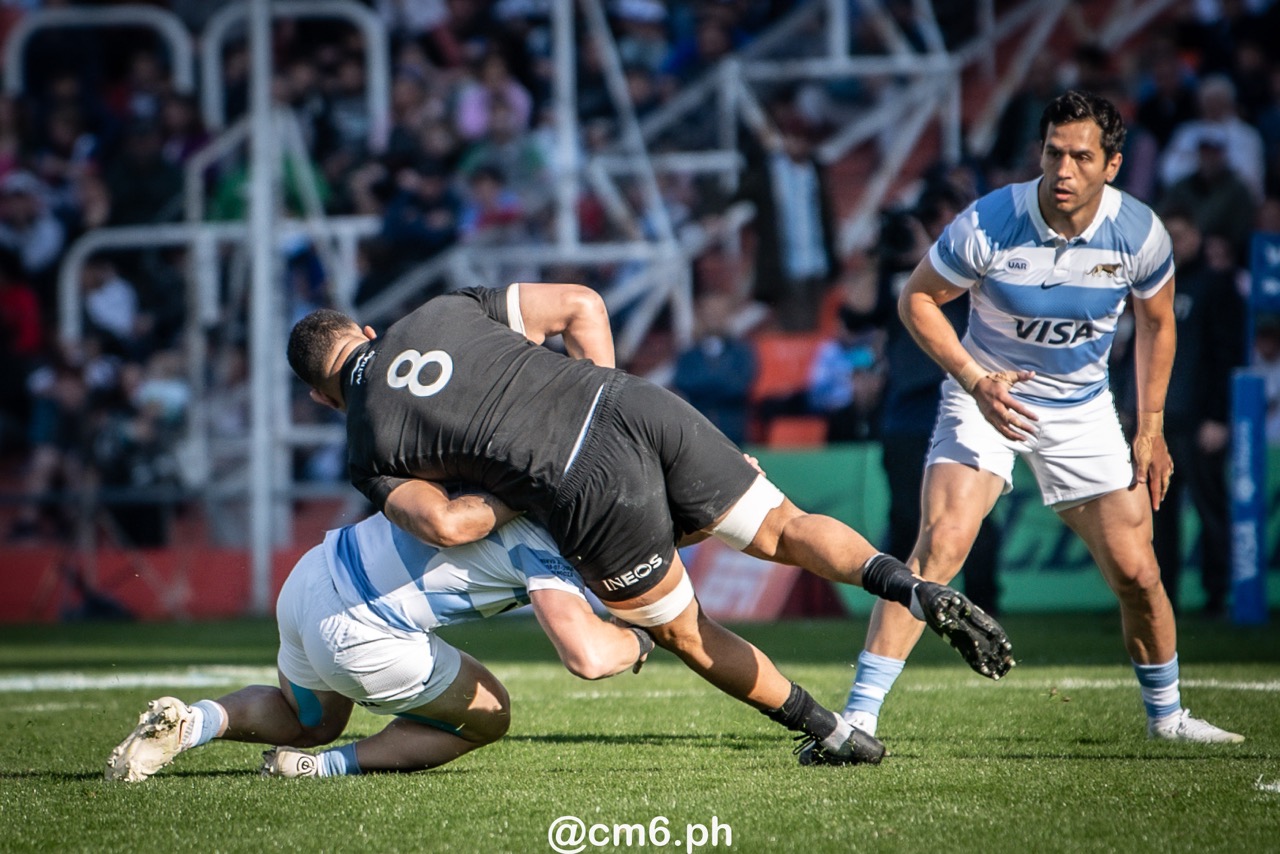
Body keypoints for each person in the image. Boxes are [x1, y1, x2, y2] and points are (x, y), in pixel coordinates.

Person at [286, 281, 1013, 767]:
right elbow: (581, 303)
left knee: (687, 633)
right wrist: (599, 389)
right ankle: (910, 587)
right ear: (367, 330)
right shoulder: (440, 308)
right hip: (632, 403)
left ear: (324, 399)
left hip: (577, 487)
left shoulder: (366, 443)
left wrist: (526, 490)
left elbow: (445, 525)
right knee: (784, 526)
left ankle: (835, 733)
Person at [836, 91, 1243, 745]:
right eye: (1054, 152)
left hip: (1083, 411)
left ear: (1112, 165)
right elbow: (917, 302)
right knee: (938, 546)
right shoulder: (989, 221)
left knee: (1139, 573)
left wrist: (1150, 426)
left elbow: (1159, 322)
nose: (1063, 170)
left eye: (1081, 156)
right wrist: (975, 378)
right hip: (984, 393)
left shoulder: (1139, 232)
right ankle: (857, 714)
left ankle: (1168, 720)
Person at [106, 511, 655, 781]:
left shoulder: (495, 466)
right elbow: (588, 652)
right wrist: (640, 638)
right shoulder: (548, 532)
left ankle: (190, 723)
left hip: (313, 573)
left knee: (311, 721)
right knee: (491, 715)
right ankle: (320, 771)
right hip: (360, 630)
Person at [1147, 211, 1246, 617]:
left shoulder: (1217, 286)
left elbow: (1228, 356)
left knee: (1210, 510)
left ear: (1199, 236)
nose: (1175, 242)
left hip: (1200, 420)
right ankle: (1160, 598)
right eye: (1168, 234)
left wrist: (1220, 417)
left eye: (1182, 234)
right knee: (1158, 519)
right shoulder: (1156, 288)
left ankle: (1219, 595)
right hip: (1161, 423)